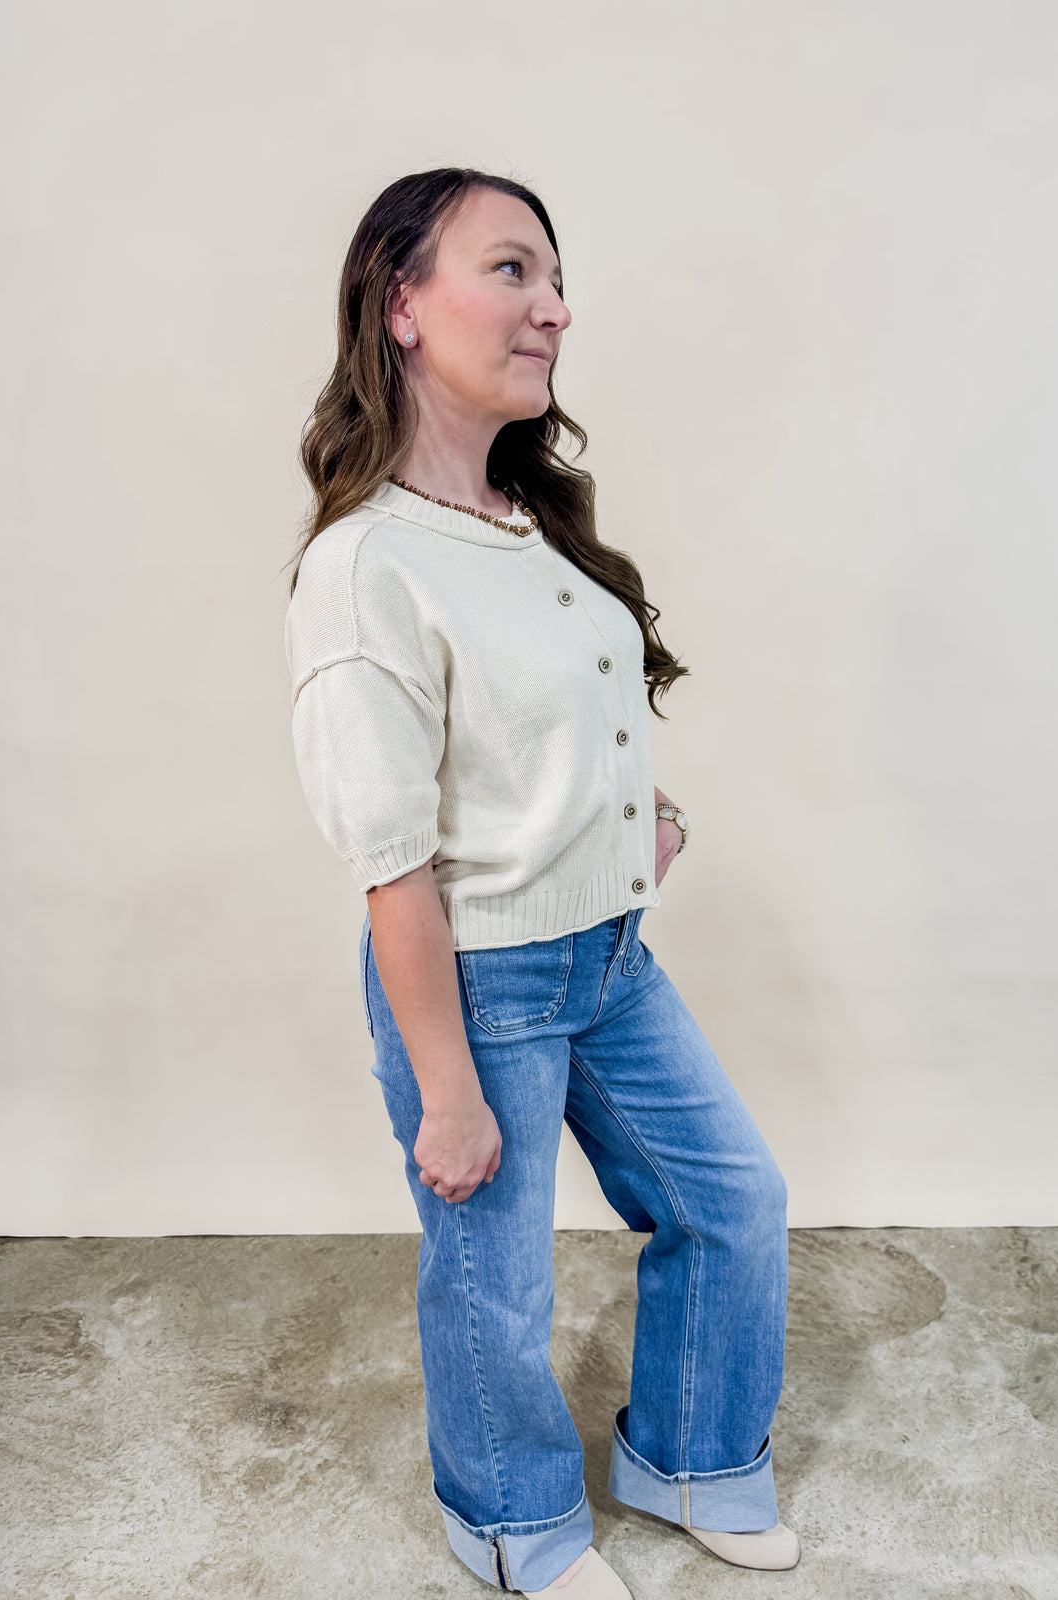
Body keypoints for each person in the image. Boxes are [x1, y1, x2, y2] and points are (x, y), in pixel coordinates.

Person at [284, 167, 799, 1597]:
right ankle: (512, 1523)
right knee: (495, 1287)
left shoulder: (525, 522)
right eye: (511, 270)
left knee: (732, 1199)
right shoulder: (366, 566)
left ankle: (691, 1457)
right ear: (401, 304)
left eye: (556, 281)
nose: (553, 308)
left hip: (612, 957)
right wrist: (445, 1088)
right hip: (480, 980)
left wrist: (647, 823)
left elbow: (561, 735)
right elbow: (391, 861)